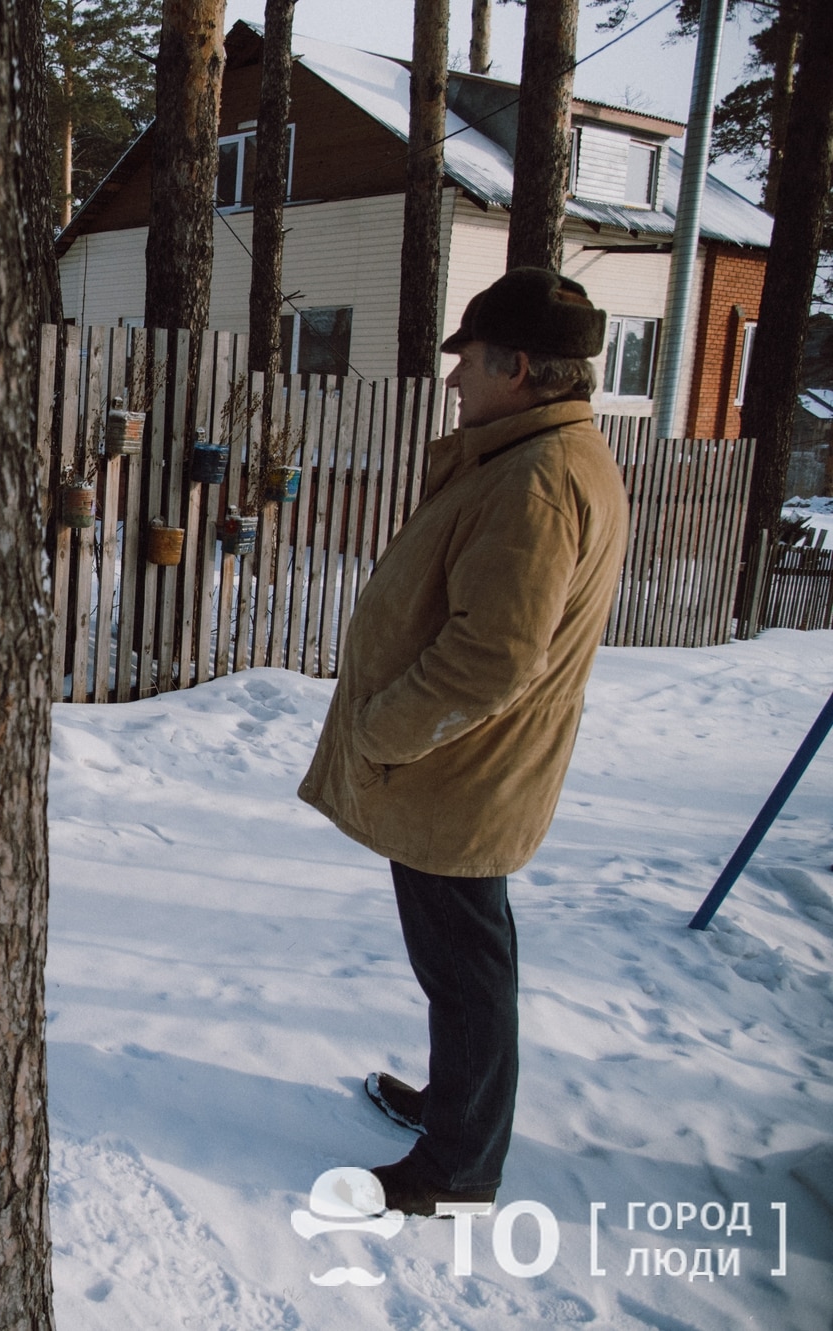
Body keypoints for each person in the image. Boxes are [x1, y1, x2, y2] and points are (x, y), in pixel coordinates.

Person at [296, 267, 630, 1216]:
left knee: (468, 967)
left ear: (518, 367)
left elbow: (491, 657)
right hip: (462, 772)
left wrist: (380, 731)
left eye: (468, 363)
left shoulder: (537, 479)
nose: (454, 382)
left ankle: (461, 1166)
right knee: (462, 962)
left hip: (458, 774)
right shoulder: (539, 456)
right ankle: (458, 1106)